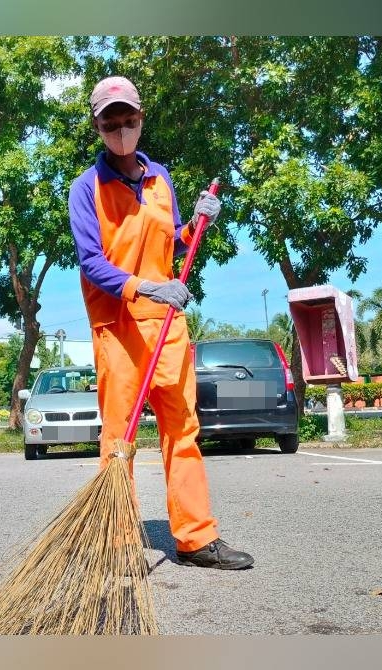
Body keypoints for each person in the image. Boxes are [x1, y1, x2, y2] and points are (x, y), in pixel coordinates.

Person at [68, 76, 253, 570]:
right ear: (98, 126)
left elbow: (169, 241)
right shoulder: (86, 188)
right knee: (120, 436)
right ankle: (120, 540)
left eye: (128, 117)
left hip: (167, 324)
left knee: (182, 427)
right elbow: (91, 261)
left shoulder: (160, 178)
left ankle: (195, 539)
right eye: (111, 120)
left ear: (141, 117)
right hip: (119, 325)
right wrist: (147, 286)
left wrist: (196, 224)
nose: (121, 127)